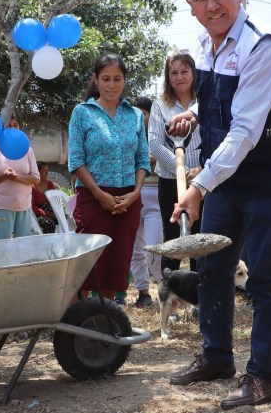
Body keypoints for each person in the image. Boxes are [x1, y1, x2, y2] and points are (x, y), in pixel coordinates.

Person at [167, 0, 271, 410]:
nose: (212, 5)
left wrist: (199, 187)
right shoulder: (204, 45)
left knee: (265, 276)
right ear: (190, 5)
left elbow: (246, 129)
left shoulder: (265, 46)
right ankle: (216, 357)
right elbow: (221, 102)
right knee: (213, 269)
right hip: (228, 177)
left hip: (270, 179)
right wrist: (194, 114)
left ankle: (264, 376)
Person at [68, 53, 148, 301]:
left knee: (116, 263)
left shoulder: (135, 115)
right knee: (87, 266)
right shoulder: (82, 113)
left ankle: (106, 316)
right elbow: (76, 160)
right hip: (92, 198)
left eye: (117, 79)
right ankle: (79, 317)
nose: (111, 85)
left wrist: (135, 194)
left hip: (128, 201)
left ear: (125, 80)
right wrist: (100, 195)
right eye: (105, 79)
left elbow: (142, 160)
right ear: (96, 79)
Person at [148, 50, 203, 275]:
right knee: (172, 241)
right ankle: (169, 292)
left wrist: (201, 171)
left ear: (193, 73)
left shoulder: (204, 102)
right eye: (174, 73)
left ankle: (199, 292)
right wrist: (183, 171)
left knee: (201, 241)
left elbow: (216, 139)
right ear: (167, 77)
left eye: (184, 71)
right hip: (171, 182)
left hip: (203, 181)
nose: (179, 77)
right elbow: (154, 144)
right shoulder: (160, 105)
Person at [130, 96, 163, 309]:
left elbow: (164, 157)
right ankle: (143, 293)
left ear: (152, 114)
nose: (139, 117)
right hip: (133, 196)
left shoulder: (159, 135)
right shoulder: (128, 135)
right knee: (135, 249)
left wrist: (148, 158)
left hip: (156, 198)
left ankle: (165, 291)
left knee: (154, 250)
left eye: (143, 113)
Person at [0, 117, 39, 240]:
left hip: (23, 207)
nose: (12, 128)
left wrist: (17, 177)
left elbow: (36, 178)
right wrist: (4, 176)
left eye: (16, 125)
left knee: (23, 247)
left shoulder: (27, 150)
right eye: (8, 125)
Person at [31, 161, 58, 233]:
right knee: (49, 223)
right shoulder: (32, 187)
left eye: (47, 171)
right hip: (40, 215)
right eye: (44, 171)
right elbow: (33, 207)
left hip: (53, 212)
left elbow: (55, 201)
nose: (47, 173)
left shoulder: (50, 184)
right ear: (38, 172)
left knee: (68, 219)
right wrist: (48, 214)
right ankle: (50, 240)